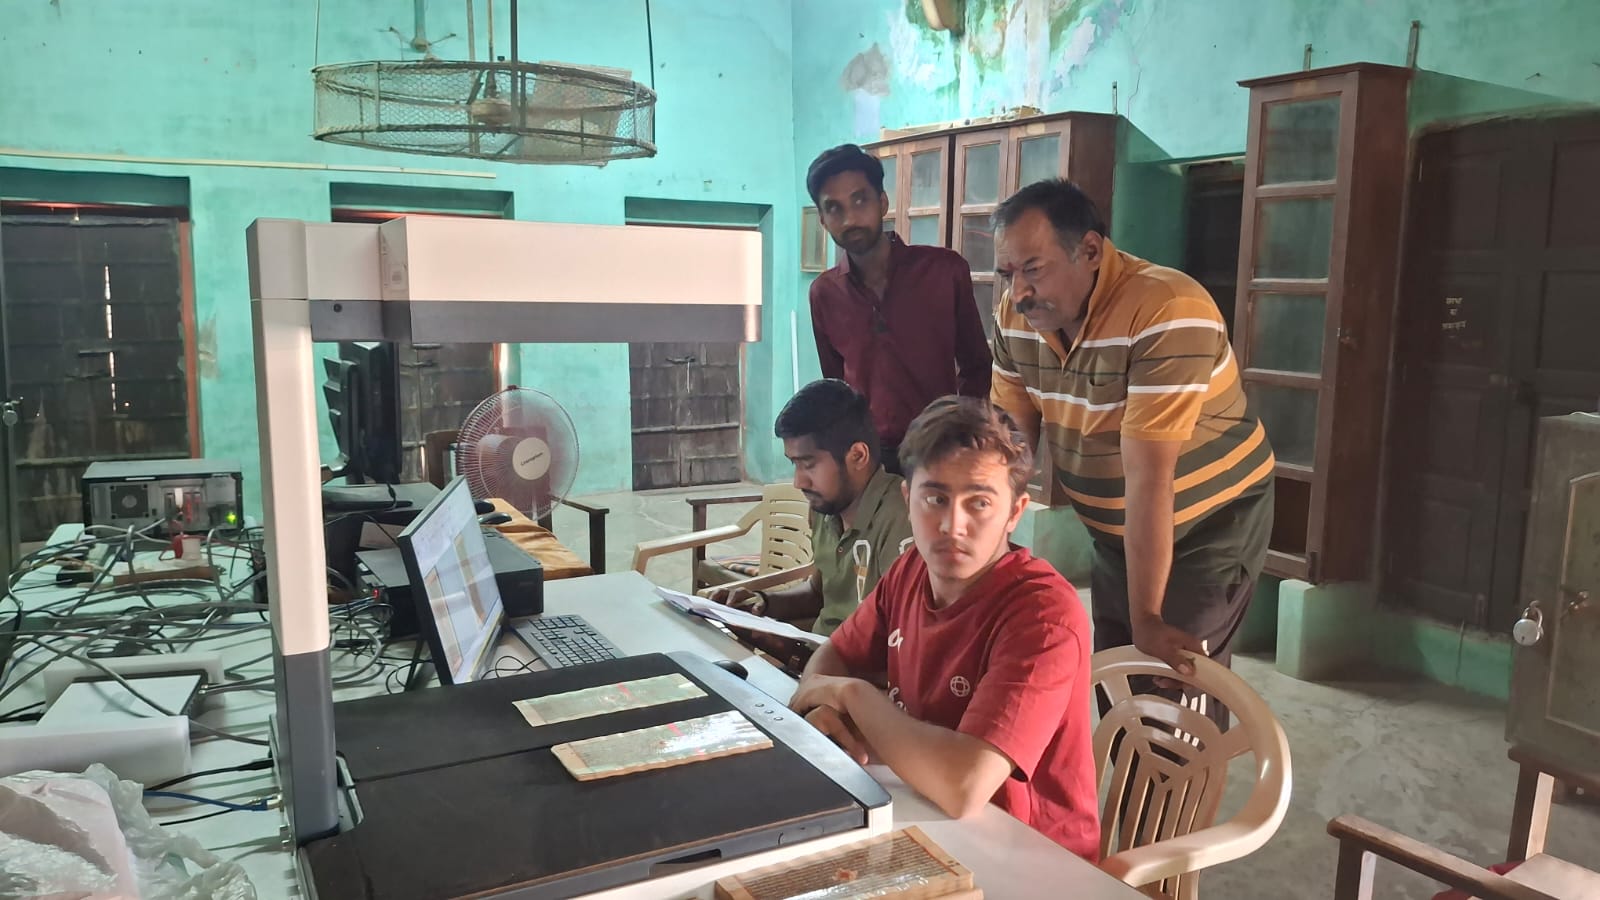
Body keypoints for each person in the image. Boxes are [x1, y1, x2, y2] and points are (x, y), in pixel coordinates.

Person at [988, 178, 1274, 730]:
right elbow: (1008, 447)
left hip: (1208, 525)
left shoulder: (1168, 309)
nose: (1019, 292)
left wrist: (1147, 615)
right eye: (1007, 274)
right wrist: (985, 550)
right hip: (1119, 531)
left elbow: (1150, 476)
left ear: (1090, 251)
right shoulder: (1015, 316)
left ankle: (1184, 790)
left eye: (1034, 269)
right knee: (1118, 685)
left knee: (1174, 686)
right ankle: (1128, 783)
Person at [788, 397, 1099, 862]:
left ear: (1015, 512)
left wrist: (850, 695)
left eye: (979, 503)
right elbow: (834, 657)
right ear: (907, 499)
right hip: (922, 817)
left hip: (1029, 859)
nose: (953, 526)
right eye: (935, 499)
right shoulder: (911, 568)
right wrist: (825, 701)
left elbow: (963, 786)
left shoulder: (1043, 616)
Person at [806, 144, 993, 474]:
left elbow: (976, 365)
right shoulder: (824, 293)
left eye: (860, 200)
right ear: (822, 219)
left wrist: (963, 435)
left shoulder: (944, 271)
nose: (849, 219)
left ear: (882, 202)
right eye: (834, 208)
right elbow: (837, 388)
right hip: (867, 461)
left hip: (939, 451)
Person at [708, 379, 912, 640]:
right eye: (795, 464)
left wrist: (790, 652)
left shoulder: (900, 520)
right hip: (818, 657)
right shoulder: (826, 510)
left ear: (858, 456)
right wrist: (761, 603)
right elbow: (818, 594)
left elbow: (900, 640)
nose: (799, 482)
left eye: (809, 464)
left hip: (847, 665)